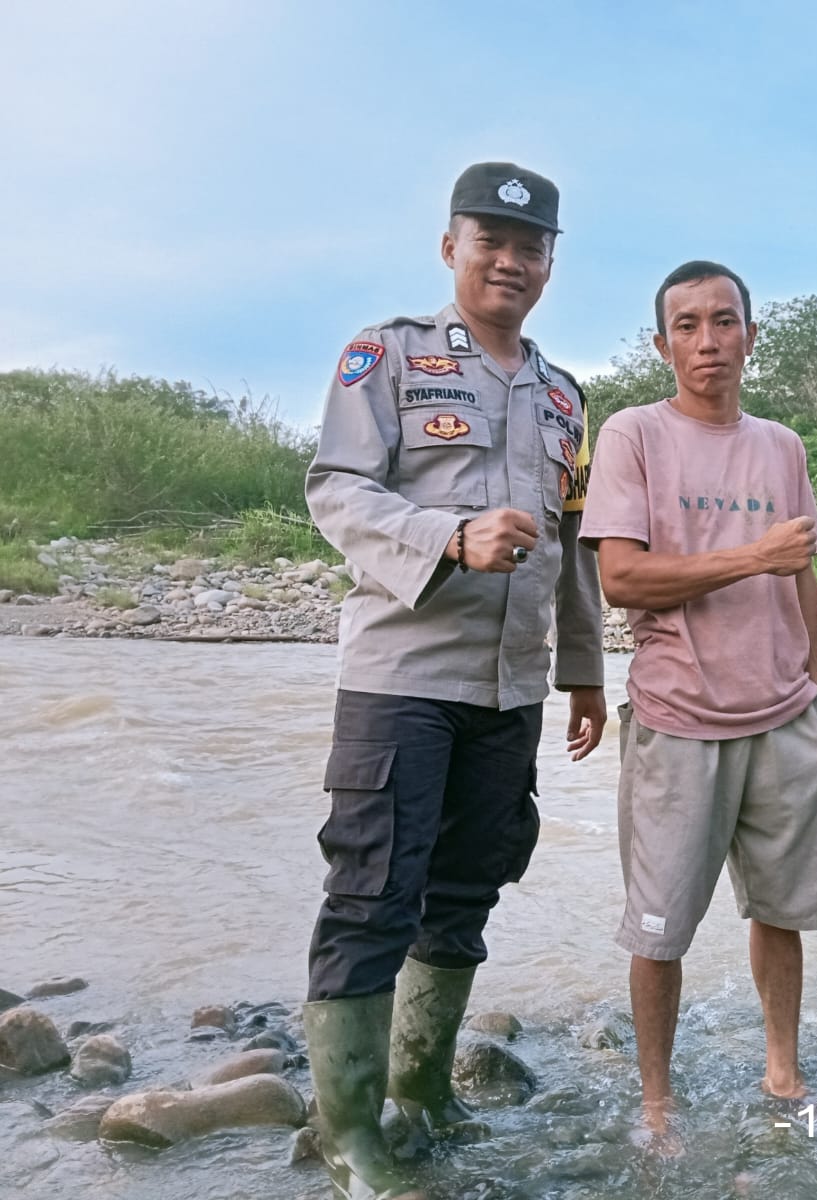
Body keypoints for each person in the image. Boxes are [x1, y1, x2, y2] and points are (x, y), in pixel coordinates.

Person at [301, 162, 607, 1198]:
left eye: (531, 249)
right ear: (451, 249)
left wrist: (582, 675)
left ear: (550, 264)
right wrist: (449, 535)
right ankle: (346, 1133)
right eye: (490, 242)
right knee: (372, 894)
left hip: (509, 690)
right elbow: (337, 492)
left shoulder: (564, 396)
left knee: (468, 886)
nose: (511, 262)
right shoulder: (385, 356)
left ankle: (422, 1093)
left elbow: (570, 549)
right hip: (401, 674)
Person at [579, 260, 817, 1136]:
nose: (708, 341)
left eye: (724, 322)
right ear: (661, 345)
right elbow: (622, 579)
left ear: (751, 336)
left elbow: (802, 571)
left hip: (784, 716)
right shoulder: (633, 435)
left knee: (781, 911)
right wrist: (750, 558)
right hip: (678, 718)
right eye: (687, 326)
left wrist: (814, 685)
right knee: (659, 929)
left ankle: (782, 1071)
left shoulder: (782, 445)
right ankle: (657, 1099)